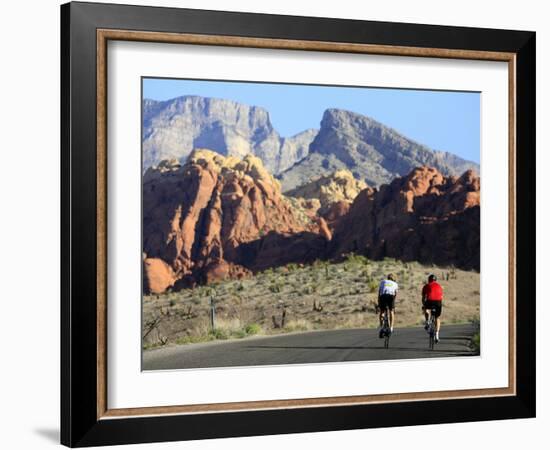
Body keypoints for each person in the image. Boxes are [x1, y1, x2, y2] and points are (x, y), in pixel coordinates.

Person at [422, 274, 444, 343]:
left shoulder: (426, 286)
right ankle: (437, 335)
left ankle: (427, 322)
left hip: (430, 301)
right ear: (435, 280)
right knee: (437, 318)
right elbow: (441, 296)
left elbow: (423, 297)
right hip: (438, 302)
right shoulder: (439, 286)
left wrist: (424, 305)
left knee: (425, 309)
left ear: (429, 280)